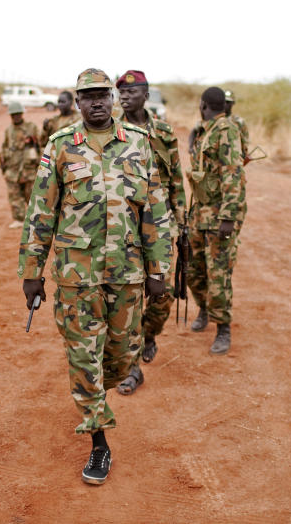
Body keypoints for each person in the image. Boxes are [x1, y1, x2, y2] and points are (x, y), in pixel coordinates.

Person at [19, 68, 171, 485]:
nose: (96, 103)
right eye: (87, 97)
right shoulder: (61, 146)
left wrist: (160, 269)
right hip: (76, 275)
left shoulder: (139, 145)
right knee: (85, 356)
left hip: (127, 273)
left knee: (122, 357)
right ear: (78, 101)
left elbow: (155, 212)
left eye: (102, 95)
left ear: (113, 98)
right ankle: (98, 441)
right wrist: (32, 272)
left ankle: (96, 393)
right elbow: (40, 212)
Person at [114, 69, 185, 395]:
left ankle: (150, 333)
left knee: (162, 294)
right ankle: (131, 369)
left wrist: (181, 221)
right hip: (123, 227)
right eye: (121, 93)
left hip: (160, 223)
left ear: (146, 94)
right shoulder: (110, 131)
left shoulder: (164, 132)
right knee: (127, 297)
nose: (125, 97)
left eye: (132, 92)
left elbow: (175, 180)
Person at [186, 87, 246, 352]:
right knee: (193, 270)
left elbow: (233, 174)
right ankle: (204, 310)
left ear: (203, 105)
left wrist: (229, 217)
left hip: (219, 214)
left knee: (218, 273)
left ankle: (223, 329)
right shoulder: (205, 130)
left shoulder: (227, 131)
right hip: (199, 213)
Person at [0, 101, 41, 227]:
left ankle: (36, 219)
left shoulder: (31, 127)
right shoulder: (8, 131)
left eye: (18, 114)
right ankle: (19, 219)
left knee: (32, 195)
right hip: (13, 170)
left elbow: (40, 145)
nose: (16, 117)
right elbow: (5, 148)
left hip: (29, 169)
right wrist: (4, 165)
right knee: (14, 196)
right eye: (13, 115)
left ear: (22, 114)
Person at [224, 90, 250, 164]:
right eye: (224, 101)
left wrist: (243, 156)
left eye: (228, 102)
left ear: (233, 103)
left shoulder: (239, 122)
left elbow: (245, 140)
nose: (225, 104)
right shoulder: (213, 120)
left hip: (233, 160)